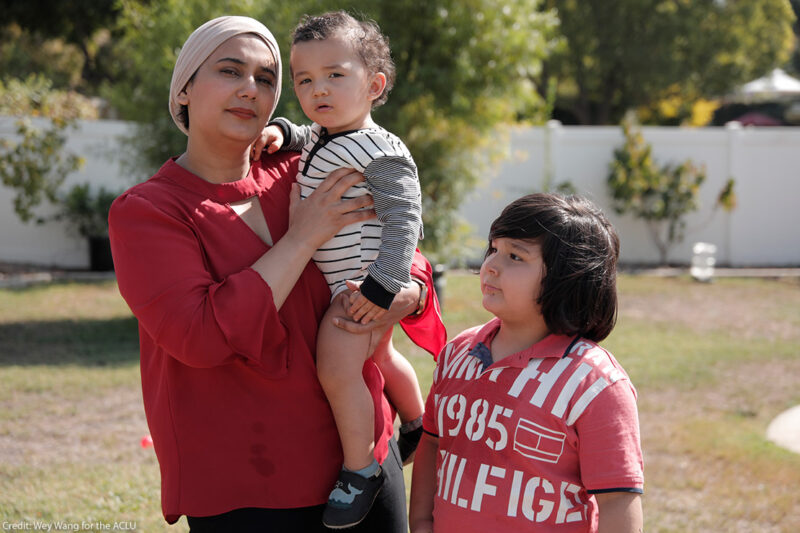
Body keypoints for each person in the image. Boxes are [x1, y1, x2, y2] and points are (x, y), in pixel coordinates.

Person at [108, 16, 445, 533]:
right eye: (230, 71)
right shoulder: (148, 211)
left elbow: (393, 242)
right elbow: (200, 336)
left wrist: (411, 293)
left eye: (265, 79)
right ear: (184, 90)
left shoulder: (303, 169)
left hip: (364, 466)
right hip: (247, 485)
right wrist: (301, 237)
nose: (250, 88)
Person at [255, 11, 432, 528]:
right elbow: (307, 138)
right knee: (382, 354)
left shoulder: (382, 150)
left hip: (361, 287)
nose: (318, 89)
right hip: (354, 283)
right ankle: (418, 423)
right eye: (305, 80)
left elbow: (405, 222)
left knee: (336, 367)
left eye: (335, 75)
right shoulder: (326, 134)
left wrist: (381, 288)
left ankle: (361, 469)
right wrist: (282, 132)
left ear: (374, 85)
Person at [409, 193, 644, 533]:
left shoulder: (594, 384)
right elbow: (432, 443)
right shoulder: (457, 354)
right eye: (493, 249)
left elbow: (617, 500)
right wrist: (420, 522)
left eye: (515, 256)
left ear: (568, 277)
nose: (490, 265)